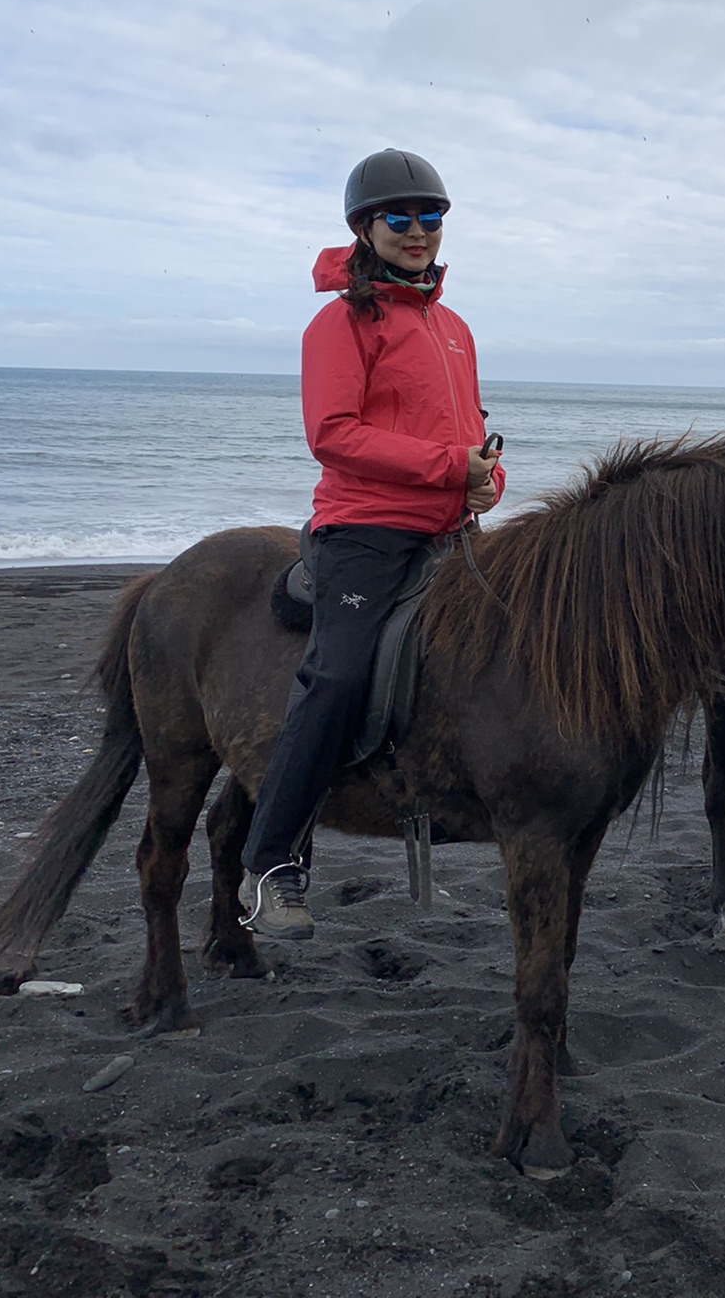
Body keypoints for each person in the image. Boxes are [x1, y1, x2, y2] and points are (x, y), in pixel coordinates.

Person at [240, 148, 503, 939]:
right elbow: (333, 434)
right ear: (366, 226)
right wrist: (444, 467)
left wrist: (486, 476)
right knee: (339, 673)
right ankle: (275, 862)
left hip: (451, 528)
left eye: (432, 218)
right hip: (365, 529)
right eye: (401, 218)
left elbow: (470, 431)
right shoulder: (340, 323)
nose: (419, 232)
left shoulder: (452, 325)